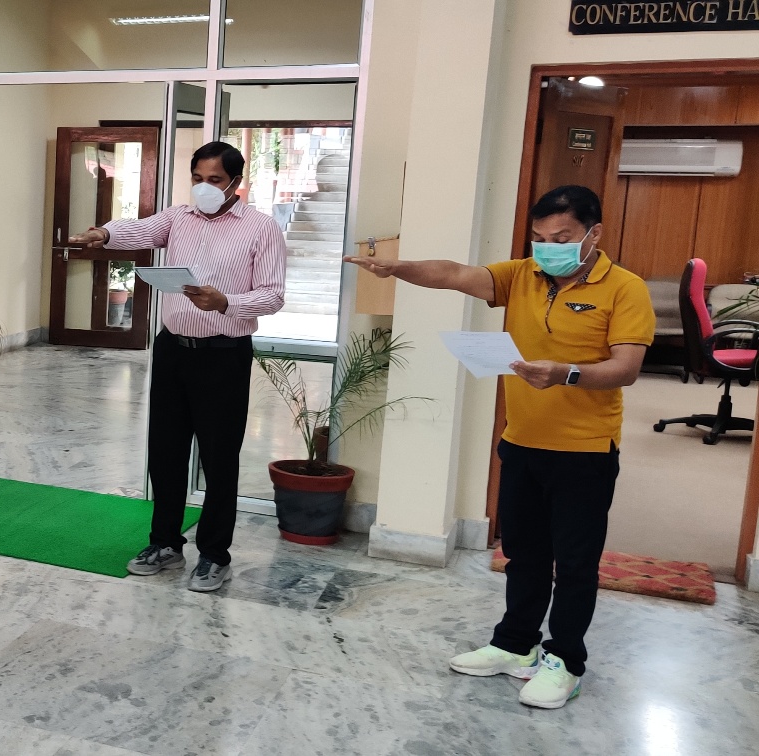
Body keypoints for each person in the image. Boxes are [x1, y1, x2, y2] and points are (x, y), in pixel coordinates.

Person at [347, 185, 653, 710]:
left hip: (584, 451)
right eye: (540, 238)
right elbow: (454, 274)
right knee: (523, 555)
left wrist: (565, 373)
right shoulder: (521, 275)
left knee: (575, 564)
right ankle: (516, 644)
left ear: (594, 234)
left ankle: (565, 662)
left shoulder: (625, 288)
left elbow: (626, 368)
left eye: (562, 238)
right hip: (521, 442)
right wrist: (398, 269)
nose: (548, 248)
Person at [70, 141, 288, 593]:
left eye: (214, 180)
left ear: (235, 183)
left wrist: (226, 302)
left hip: (223, 353)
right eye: (197, 179)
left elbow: (272, 295)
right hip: (173, 350)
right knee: (165, 452)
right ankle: (165, 542)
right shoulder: (179, 217)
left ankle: (214, 555)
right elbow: (139, 230)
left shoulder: (261, 228)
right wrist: (104, 235)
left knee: (219, 458)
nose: (204, 188)